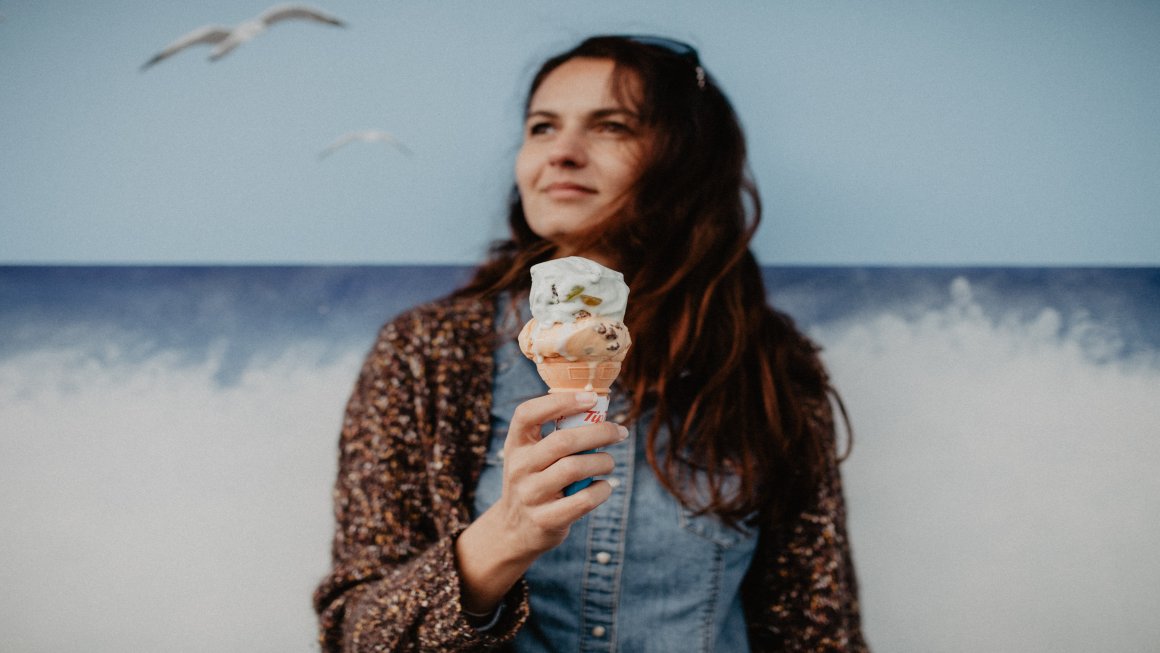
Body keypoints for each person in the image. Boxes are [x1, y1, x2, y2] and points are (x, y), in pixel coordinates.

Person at [313, 35, 868, 652]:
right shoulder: (425, 354)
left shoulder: (764, 360)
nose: (564, 154)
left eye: (612, 127)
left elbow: (817, 632)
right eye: (543, 127)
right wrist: (504, 537)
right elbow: (353, 635)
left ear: (687, 159)